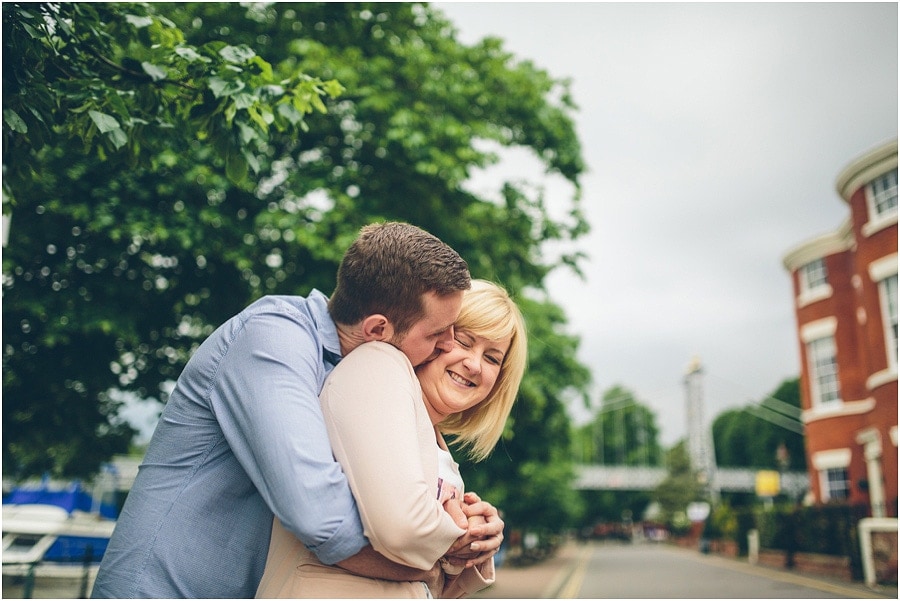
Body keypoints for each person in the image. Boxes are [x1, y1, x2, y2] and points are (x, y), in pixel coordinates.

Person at [92, 223, 505, 598]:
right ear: (378, 329)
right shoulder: (274, 339)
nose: (449, 345)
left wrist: (465, 532)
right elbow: (320, 518)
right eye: (439, 333)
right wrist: (432, 565)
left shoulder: (355, 378)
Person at [255, 280, 527, 598]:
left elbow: (424, 581)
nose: (475, 365)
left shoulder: (438, 447)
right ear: (435, 334)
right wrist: (460, 536)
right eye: (464, 341)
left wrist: (480, 538)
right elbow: (402, 531)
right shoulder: (378, 369)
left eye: (492, 358)